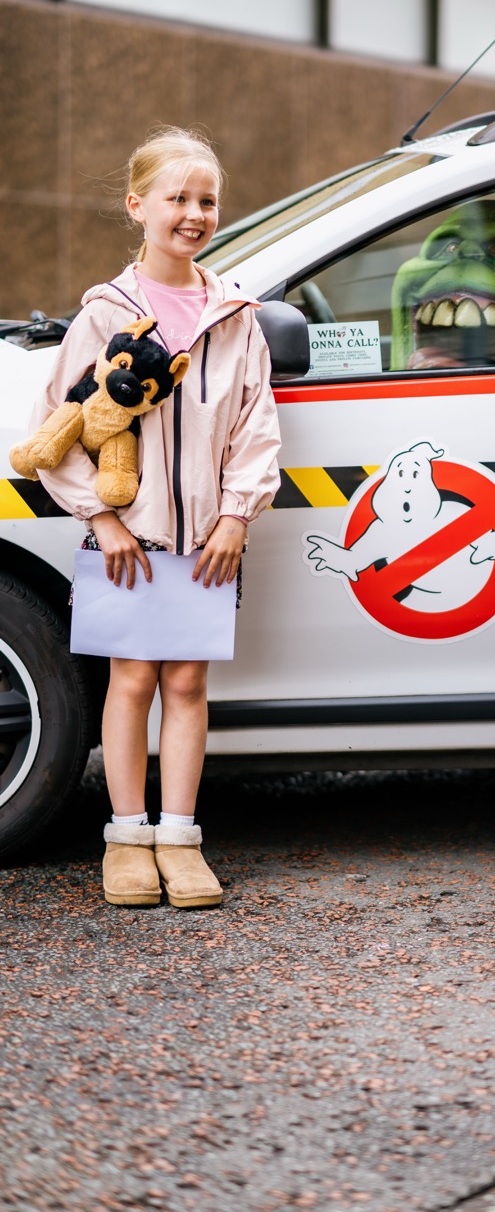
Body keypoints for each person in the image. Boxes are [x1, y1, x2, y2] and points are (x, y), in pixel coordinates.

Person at [30, 126, 281, 909]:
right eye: (177, 198)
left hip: (207, 542)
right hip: (125, 543)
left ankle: (180, 838)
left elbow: (255, 427)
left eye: (207, 200)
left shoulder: (235, 316)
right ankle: (126, 839)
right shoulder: (105, 316)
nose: (194, 213)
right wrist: (101, 522)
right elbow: (56, 432)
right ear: (138, 206)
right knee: (132, 679)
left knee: (188, 685)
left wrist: (237, 519)